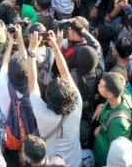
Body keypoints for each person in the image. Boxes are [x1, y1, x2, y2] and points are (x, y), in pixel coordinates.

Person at [27, 31, 83, 167]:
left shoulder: (42, 114)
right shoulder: (77, 103)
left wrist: (32, 51)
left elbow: (32, 81)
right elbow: (64, 73)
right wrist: (55, 48)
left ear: (48, 98)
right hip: (75, 161)